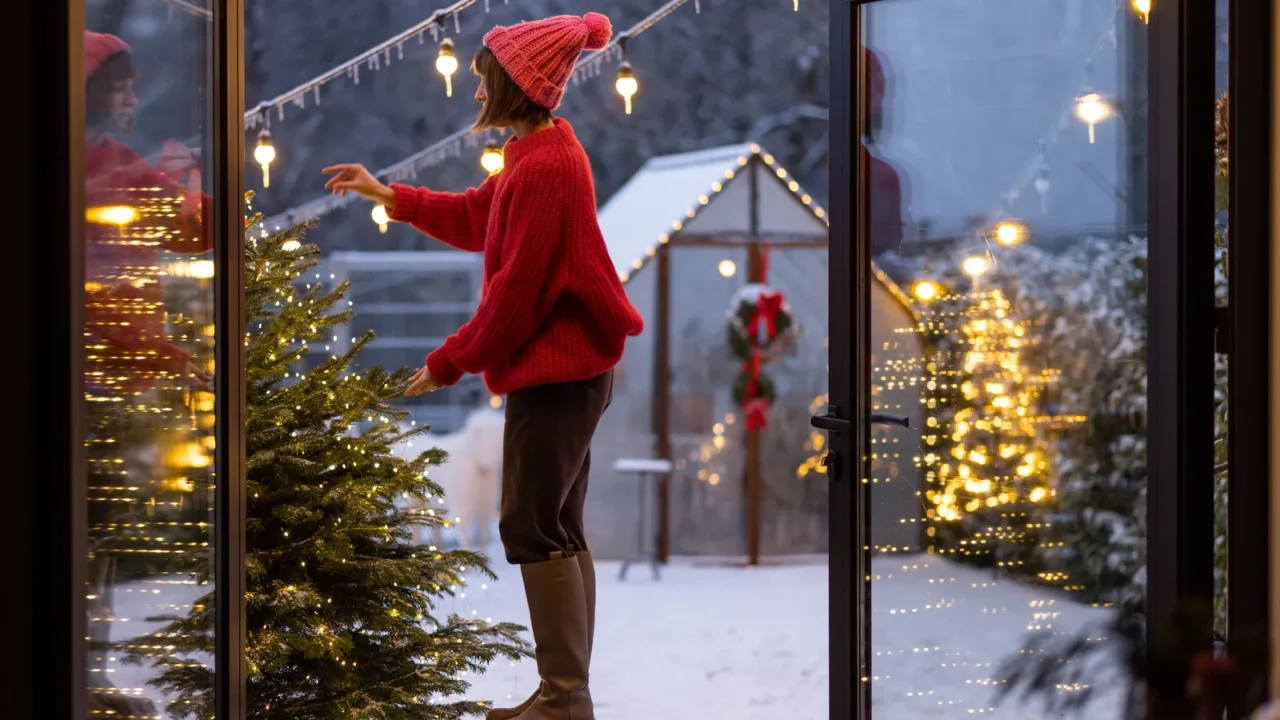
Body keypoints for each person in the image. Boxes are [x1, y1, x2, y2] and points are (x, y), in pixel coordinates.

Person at [323, 12, 643, 720]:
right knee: (556, 525)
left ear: (516, 84)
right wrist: (390, 196)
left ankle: (563, 698)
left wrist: (448, 362)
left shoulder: (550, 166)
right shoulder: (537, 153)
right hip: (567, 371)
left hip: (560, 374)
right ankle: (567, 695)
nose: (475, 95)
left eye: (484, 81)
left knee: (533, 526)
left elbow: (516, 300)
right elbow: (477, 217)